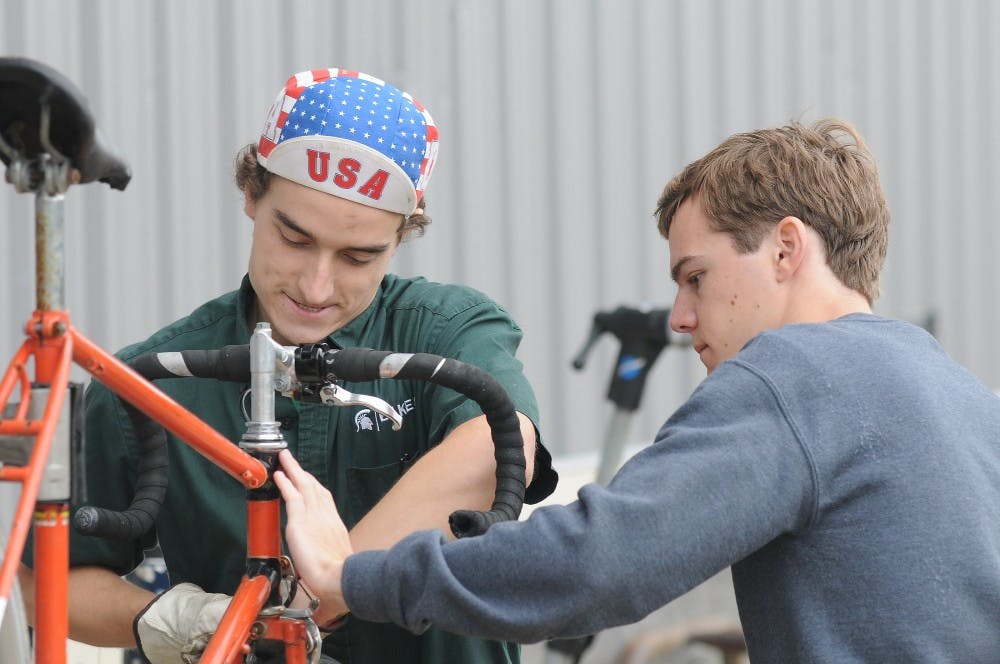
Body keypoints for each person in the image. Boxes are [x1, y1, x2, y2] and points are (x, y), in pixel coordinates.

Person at [274, 118, 1000, 662]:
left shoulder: (797, 374)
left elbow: (600, 563)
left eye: (695, 278)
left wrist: (353, 575)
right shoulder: (964, 395)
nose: (681, 319)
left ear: (786, 249)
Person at [18, 67, 557, 663]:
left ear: (402, 235)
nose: (316, 285)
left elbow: (502, 445)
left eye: (357, 256)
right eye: (295, 239)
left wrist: (322, 590)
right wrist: (175, 617)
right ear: (251, 193)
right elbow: (47, 580)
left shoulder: (447, 330)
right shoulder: (152, 381)